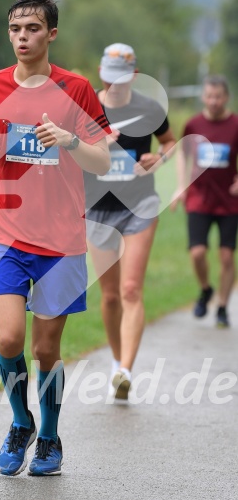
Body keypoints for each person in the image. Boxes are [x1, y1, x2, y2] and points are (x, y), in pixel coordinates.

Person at [0, 0, 111, 476]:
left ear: (51, 34)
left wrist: (71, 140)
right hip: (6, 231)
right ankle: (20, 423)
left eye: (32, 28)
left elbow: (104, 158)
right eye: (15, 29)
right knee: (9, 337)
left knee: (45, 349)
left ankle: (50, 438)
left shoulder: (76, 88)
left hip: (60, 240)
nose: (22, 37)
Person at [83, 43, 176, 400]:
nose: (116, 83)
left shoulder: (150, 108)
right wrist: (97, 142)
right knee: (109, 297)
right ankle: (116, 358)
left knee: (131, 289)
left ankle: (125, 370)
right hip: (98, 209)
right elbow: (68, 149)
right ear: (100, 72)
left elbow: (169, 142)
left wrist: (159, 158)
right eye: (110, 76)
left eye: (122, 77)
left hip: (140, 205)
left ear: (134, 75)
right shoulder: (85, 106)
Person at [171, 75, 238, 327]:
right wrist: (180, 185)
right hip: (199, 198)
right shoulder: (193, 124)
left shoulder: (235, 124)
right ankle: (206, 289)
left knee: (226, 256)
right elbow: (182, 154)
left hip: (229, 201)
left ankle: (222, 306)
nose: (213, 101)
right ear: (203, 97)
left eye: (218, 97)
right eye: (209, 96)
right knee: (198, 252)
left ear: (226, 97)